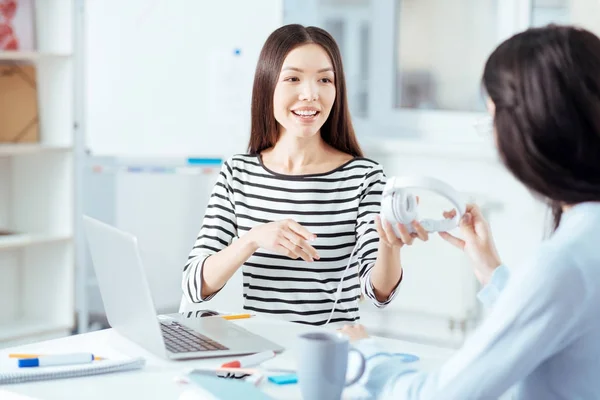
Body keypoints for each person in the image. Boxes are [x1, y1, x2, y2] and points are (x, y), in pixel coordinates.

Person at [340, 24, 600, 399]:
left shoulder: (564, 263)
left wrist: (365, 354)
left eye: (492, 121)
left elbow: (435, 396)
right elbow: (558, 323)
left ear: (531, 129)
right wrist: (492, 272)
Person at [181, 24, 428, 326]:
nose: (310, 94)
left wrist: (391, 246)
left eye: (324, 79)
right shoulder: (237, 173)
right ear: (268, 86)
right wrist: (252, 239)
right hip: (263, 353)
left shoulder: (364, 177)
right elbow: (195, 283)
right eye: (293, 78)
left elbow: (379, 293)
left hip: (331, 352)